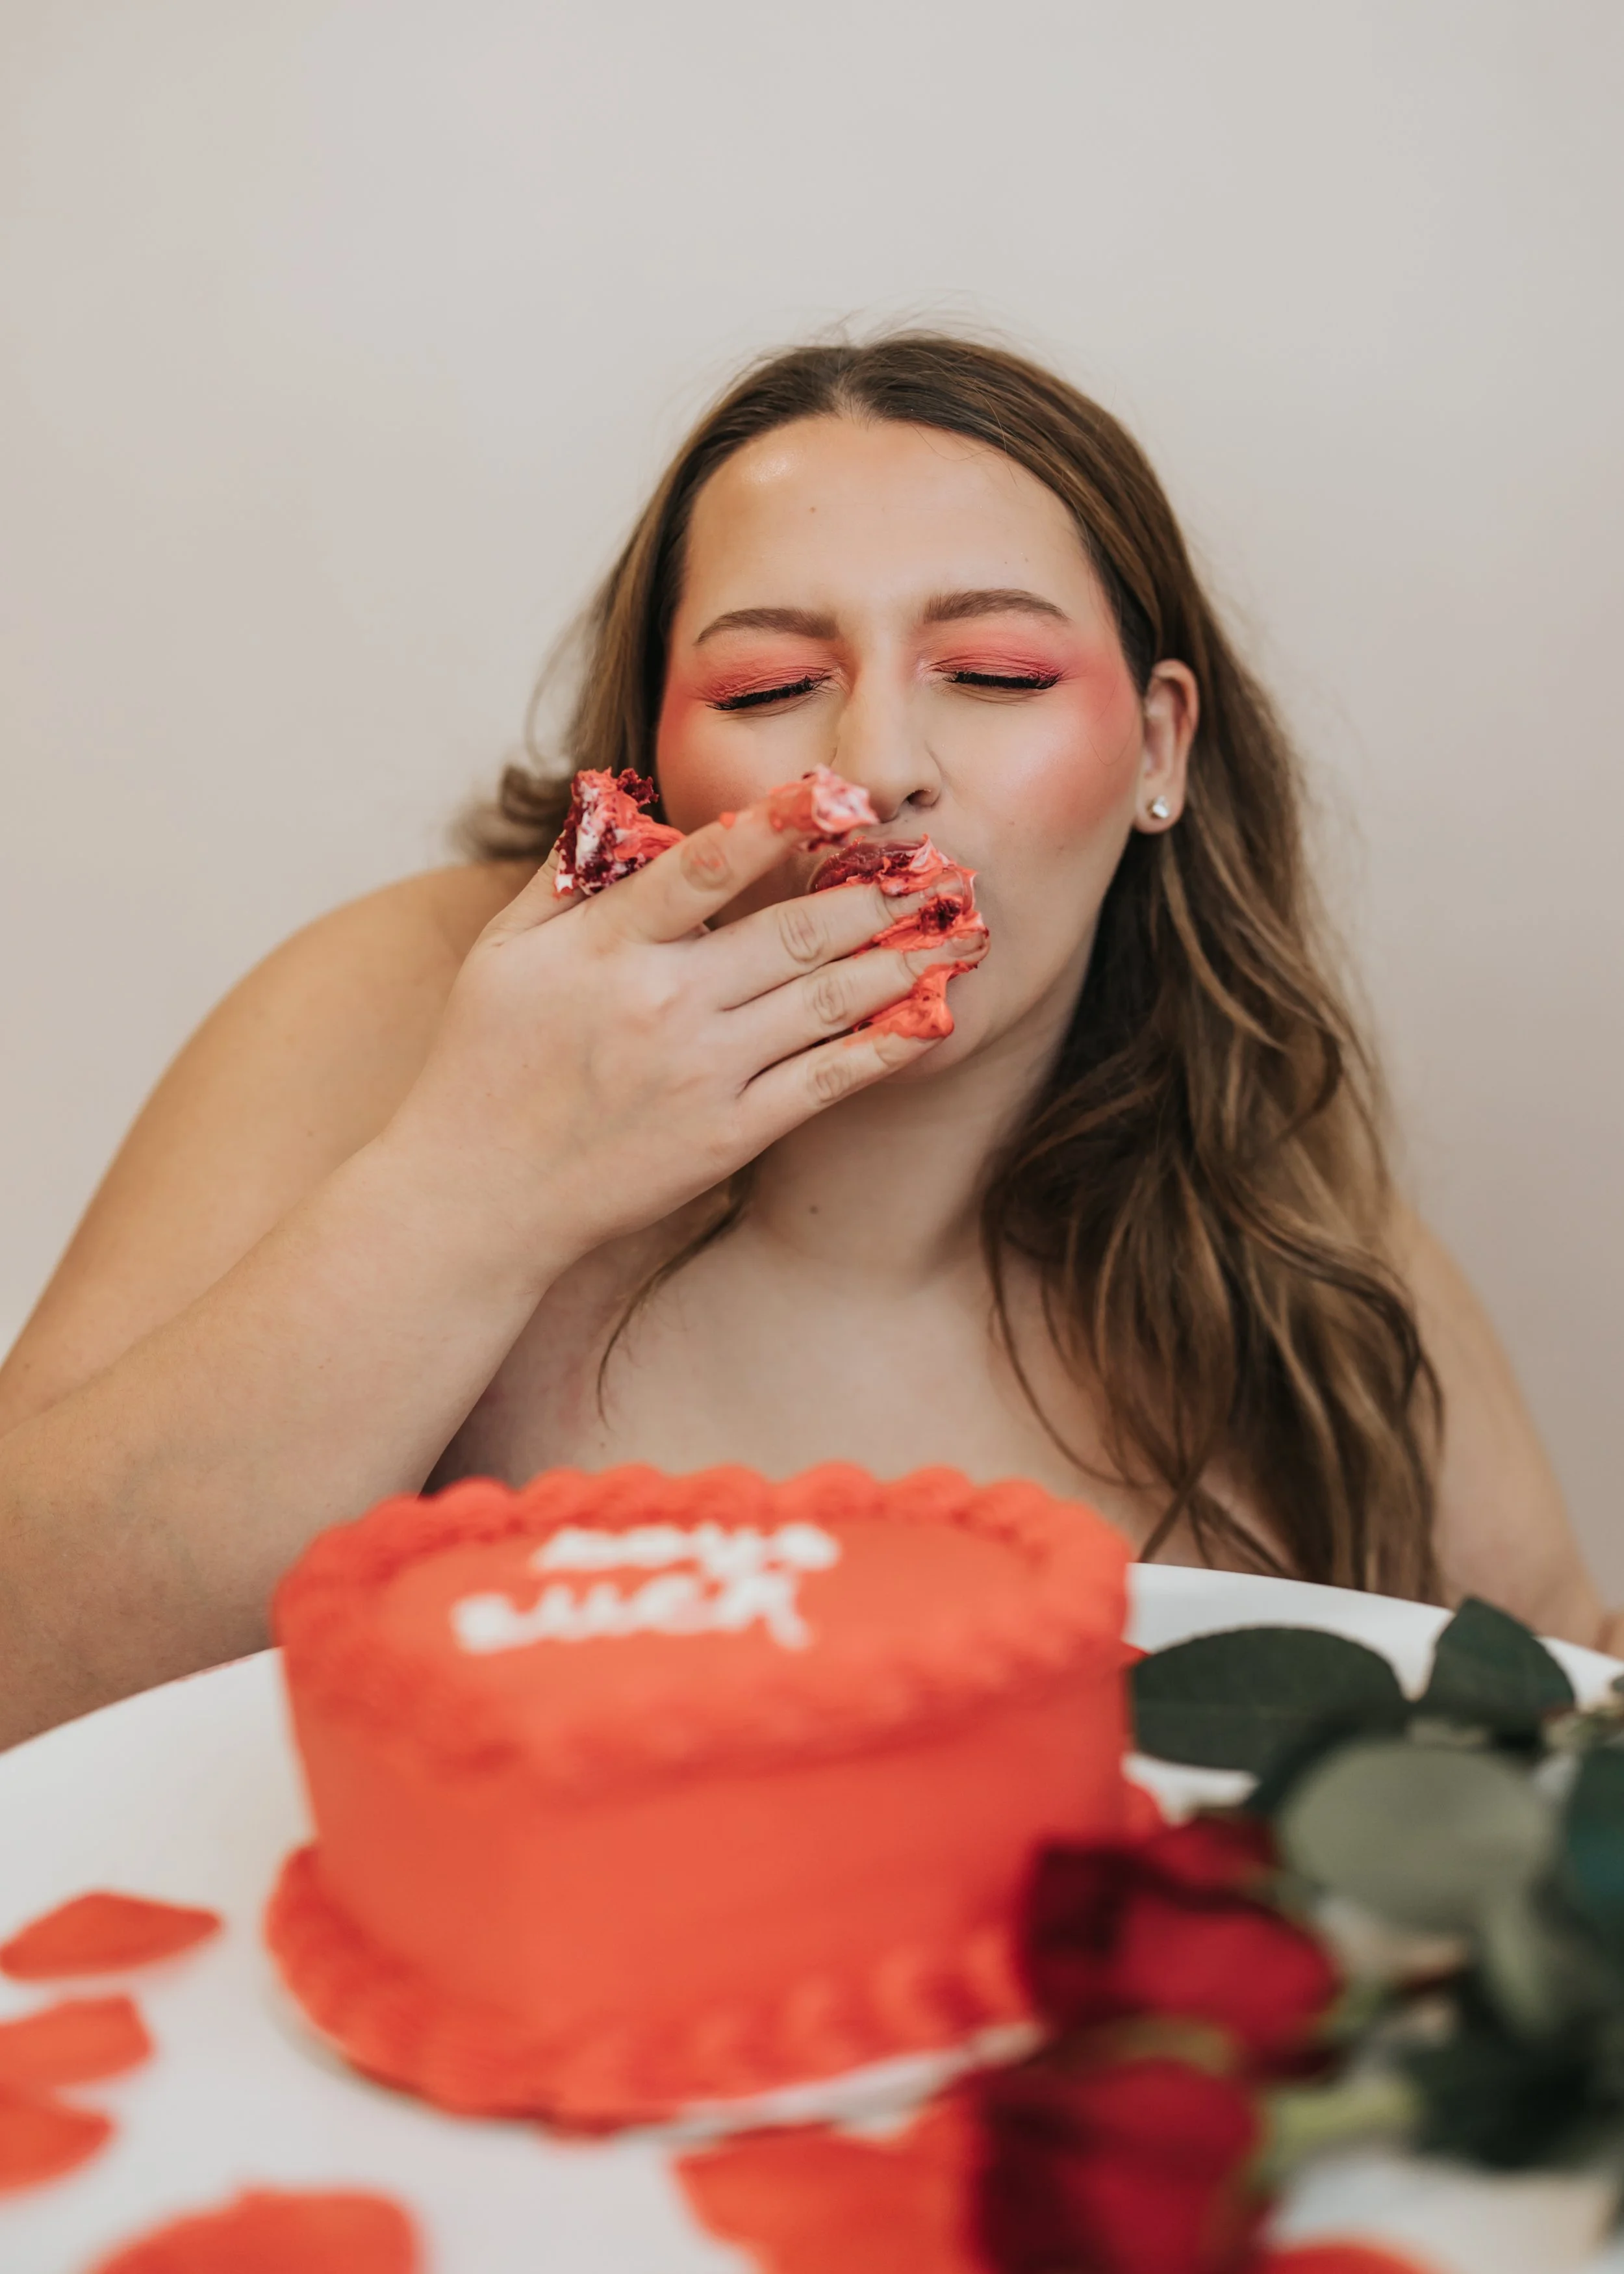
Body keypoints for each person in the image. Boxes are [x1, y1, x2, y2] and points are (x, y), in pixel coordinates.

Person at [0, 333, 1612, 1749]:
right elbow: (32, 1691)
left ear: (1157, 750)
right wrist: (472, 1187)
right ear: (649, 760)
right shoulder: (397, 1007)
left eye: (989, 670)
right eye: (772, 683)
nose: (879, 765)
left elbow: (1561, 1694)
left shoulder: (1277, 1203)